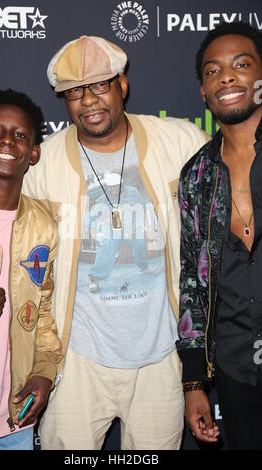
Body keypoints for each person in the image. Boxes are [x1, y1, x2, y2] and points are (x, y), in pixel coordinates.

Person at [0, 36, 209, 450]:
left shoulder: (181, 141)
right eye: (75, 91)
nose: (89, 100)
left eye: (100, 85)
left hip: (160, 359)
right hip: (76, 362)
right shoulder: (43, 161)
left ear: (122, 85)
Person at [176, 22, 262, 449]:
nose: (226, 77)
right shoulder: (196, 176)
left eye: (241, 65)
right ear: (203, 94)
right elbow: (192, 279)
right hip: (235, 368)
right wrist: (194, 381)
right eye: (213, 72)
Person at [0, 89, 62, 450]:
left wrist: (44, 372)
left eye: (20, 135)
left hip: (12, 426)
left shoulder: (43, 225)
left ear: (34, 153)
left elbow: (43, 313)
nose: (7, 140)